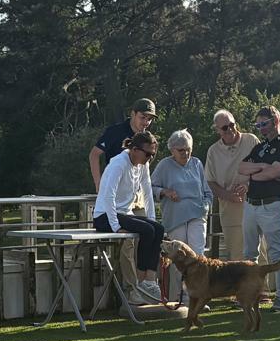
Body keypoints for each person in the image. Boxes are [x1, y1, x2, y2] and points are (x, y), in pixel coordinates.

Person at [91, 130, 166, 304]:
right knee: (147, 230)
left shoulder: (142, 165)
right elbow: (108, 195)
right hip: (104, 216)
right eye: (147, 154)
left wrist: (152, 218)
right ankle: (140, 280)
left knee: (158, 229)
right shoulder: (119, 164)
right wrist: (116, 226)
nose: (150, 158)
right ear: (135, 150)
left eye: (153, 155)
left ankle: (149, 280)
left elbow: (147, 192)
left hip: (124, 213)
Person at [237, 105, 280, 306]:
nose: (261, 128)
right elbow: (241, 167)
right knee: (249, 254)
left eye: (264, 124)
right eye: (258, 125)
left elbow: (274, 172)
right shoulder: (259, 147)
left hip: (271, 205)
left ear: (276, 121)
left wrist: (255, 174)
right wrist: (262, 166)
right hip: (251, 204)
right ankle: (249, 294)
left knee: (276, 253)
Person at [151, 130, 213, 305]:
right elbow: (150, 187)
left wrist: (206, 206)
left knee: (198, 256)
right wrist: (165, 192)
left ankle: (197, 297)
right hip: (175, 217)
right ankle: (178, 297)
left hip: (197, 214)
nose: (185, 153)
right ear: (172, 150)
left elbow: (207, 191)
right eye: (181, 150)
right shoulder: (164, 165)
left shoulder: (196, 163)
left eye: (188, 149)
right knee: (178, 258)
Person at [203, 109, 258, 257]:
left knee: (261, 256)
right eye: (224, 127)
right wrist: (228, 195)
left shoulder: (251, 141)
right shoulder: (213, 152)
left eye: (232, 125)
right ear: (217, 130)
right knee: (236, 256)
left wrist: (248, 186)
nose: (230, 129)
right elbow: (210, 182)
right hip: (230, 212)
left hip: (255, 206)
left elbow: (263, 168)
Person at [89, 98, 156, 189]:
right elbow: (94, 154)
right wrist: (98, 183)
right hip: (114, 186)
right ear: (133, 114)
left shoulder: (148, 138)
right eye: (143, 117)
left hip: (135, 190)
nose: (146, 122)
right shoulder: (115, 132)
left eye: (150, 119)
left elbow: (145, 166)